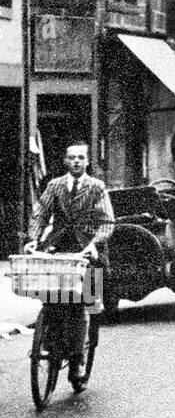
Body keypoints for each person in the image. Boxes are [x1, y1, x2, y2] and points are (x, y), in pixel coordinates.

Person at [27, 142, 115, 376]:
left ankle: (77, 360)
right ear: (65, 161)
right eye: (72, 157)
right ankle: (48, 342)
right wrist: (35, 238)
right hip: (59, 247)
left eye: (81, 158)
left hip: (88, 252)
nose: (76, 161)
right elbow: (40, 213)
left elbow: (107, 222)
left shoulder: (97, 187)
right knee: (50, 298)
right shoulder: (54, 186)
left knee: (84, 304)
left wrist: (94, 243)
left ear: (87, 161)